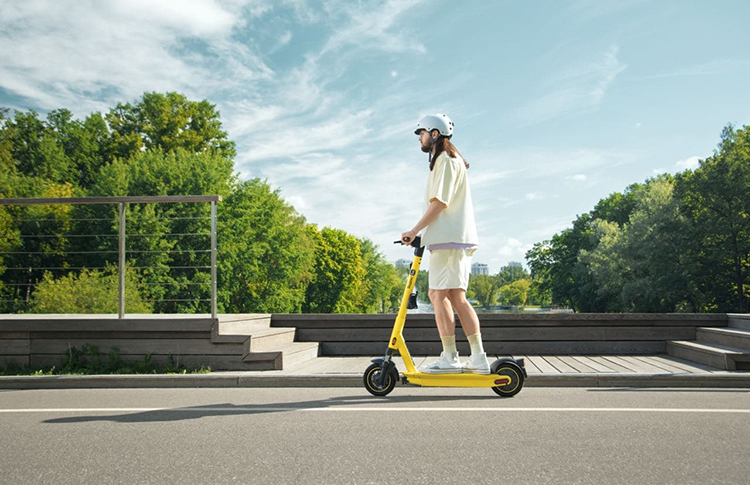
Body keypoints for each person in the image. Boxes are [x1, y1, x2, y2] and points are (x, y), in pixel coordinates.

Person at [400, 114, 489, 374]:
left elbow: (440, 202)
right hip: (448, 240)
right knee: (448, 296)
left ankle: (453, 358)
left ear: (435, 134)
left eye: (422, 132)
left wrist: (415, 229)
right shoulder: (447, 161)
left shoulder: (447, 161)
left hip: (451, 240)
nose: (420, 137)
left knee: (445, 296)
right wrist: (421, 234)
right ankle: (475, 357)